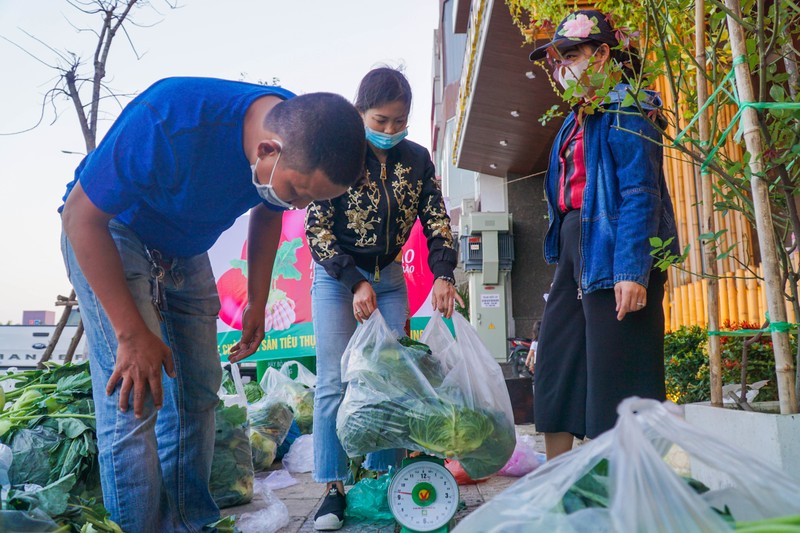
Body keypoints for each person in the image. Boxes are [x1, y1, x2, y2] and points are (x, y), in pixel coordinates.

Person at [59, 76, 366, 532]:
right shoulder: (170, 120)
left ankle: (189, 524)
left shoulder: (296, 133)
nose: (299, 206)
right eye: (299, 192)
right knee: (135, 400)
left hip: (183, 249)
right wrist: (131, 333)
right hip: (112, 236)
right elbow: (80, 217)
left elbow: (268, 213)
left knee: (199, 391)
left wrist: (257, 303)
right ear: (267, 150)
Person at [305, 67, 460, 531]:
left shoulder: (417, 159)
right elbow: (317, 228)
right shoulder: (336, 154)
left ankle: (382, 477)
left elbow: (436, 217)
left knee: (393, 378)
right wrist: (353, 281)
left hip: (390, 278)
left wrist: (444, 274)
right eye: (381, 120)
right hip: (337, 279)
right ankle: (332, 488)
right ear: (359, 112)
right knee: (334, 380)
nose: (391, 130)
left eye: (399, 121)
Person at [526, 11, 680, 459]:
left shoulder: (628, 107)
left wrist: (632, 270)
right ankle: (558, 488)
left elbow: (639, 193)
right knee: (557, 366)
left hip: (617, 251)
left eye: (571, 55)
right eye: (557, 60)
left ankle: (626, 491)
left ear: (604, 54)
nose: (562, 68)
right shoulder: (574, 120)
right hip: (579, 254)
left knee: (619, 377)